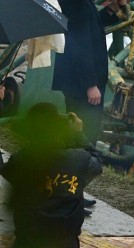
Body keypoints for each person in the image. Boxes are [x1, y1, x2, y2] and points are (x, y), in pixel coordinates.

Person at [0, 102, 102, 248]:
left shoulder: (20, 161)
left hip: (28, 241)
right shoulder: (80, 159)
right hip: (66, 243)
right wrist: (78, 134)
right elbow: (97, 164)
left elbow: (7, 174)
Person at [52, 0, 126, 147]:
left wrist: (112, 8)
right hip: (80, 83)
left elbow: (90, 26)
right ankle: (77, 172)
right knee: (85, 135)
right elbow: (80, 42)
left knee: (82, 134)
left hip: (77, 80)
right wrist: (90, 84)